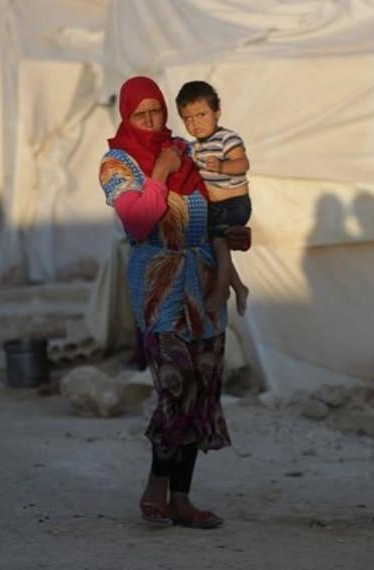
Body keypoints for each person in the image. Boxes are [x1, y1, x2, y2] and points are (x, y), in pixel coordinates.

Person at [99, 76, 232, 530]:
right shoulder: (117, 164)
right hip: (159, 288)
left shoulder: (188, 151)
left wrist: (228, 273)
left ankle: (181, 498)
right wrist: (158, 173)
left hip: (204, 284)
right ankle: (156, 483)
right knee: (175, 386)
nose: (151, 119)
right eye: (141, 113)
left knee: (203, 387)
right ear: (126, 117)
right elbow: (138, 222)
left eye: (157, 110)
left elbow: (216, 216)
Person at [175, 80, 252, 316]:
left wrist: (221, 166)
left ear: (217, 113)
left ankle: (222, 291)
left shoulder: (227, 139)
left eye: (201, 115)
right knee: (216, 246)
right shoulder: (194, 147)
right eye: (187, 118)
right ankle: (238, 285)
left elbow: (243, 164)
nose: (195, 123)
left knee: (219, 242)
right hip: (214, 207)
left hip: (233, 204)